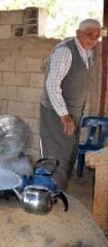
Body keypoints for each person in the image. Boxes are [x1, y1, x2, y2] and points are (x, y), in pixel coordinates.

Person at [40, 18, 102, 191]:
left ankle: (58, 191)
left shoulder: (88, 54)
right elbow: (52, 85)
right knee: (56, 154)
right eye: (89, 34)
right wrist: (65, 116)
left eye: (97, 36)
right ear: (78, 33)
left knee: (68, 153)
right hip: (56, 113)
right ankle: (49, 193)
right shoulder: (65, 51)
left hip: (71, 113)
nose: (93, 39)